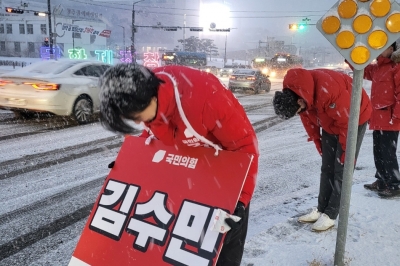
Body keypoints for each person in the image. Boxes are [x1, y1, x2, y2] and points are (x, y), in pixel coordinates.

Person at [99, 63, 259, 265]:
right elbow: (151, 135)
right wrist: (130, 167)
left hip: (225, 177)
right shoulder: (145, 94)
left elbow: (246, 148)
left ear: (152, 98)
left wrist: (240, 202)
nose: (140, 124)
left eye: (137, 117)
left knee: (224, 243)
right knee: (177, 242)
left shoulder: (207, 99)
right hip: (183, 173)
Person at [273, 68, 371, 231]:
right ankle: (321, 209)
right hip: (330, 120)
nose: (300, 113)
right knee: (327, 167)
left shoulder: (328, 90)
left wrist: (347, 153)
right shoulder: (299, 94)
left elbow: (346, 124)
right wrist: (318, 142)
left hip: (354, 118)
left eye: (297, 110)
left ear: (299, 102)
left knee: (342, 169)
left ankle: (331, 214)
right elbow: (307, 118)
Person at [346, 42, 400, 197]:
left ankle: (395, 184)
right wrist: (349, 58)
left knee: (388, 154)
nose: (379, 50)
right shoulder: (377, 68)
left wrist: (397, 115)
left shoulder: (396, 67)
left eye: (382, 47)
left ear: (391, 49)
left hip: (391, 119)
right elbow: (361, 70)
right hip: (378, 118)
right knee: (378, 152)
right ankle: (382, 181)